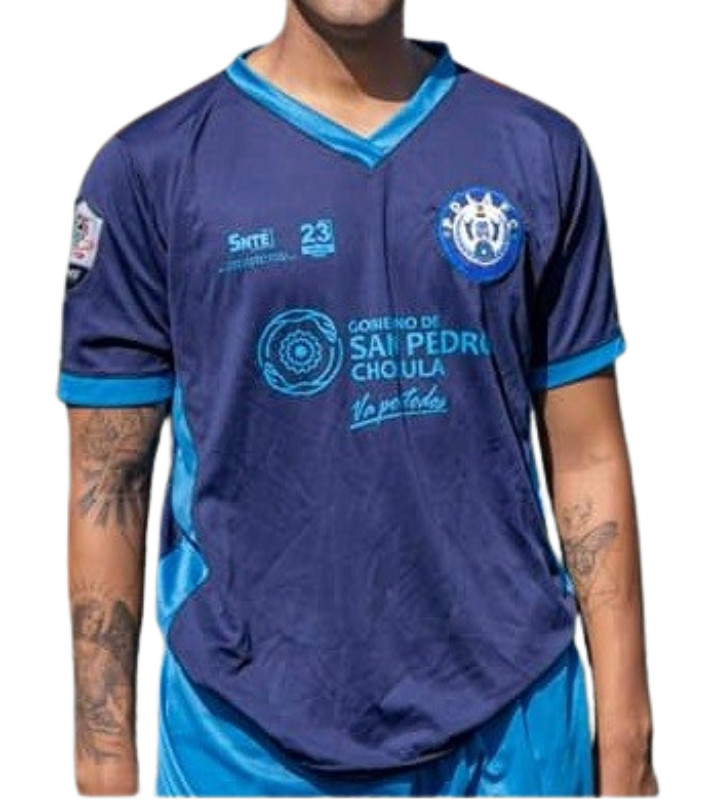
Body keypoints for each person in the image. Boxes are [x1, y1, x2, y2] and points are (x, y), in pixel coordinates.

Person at [58, 0, 659, 796]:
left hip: (511, 730)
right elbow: (108, 476)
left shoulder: (535, 150)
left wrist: (628, 737)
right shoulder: (151, 170)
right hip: (248, 742)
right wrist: (103, 763)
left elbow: (588, 456)